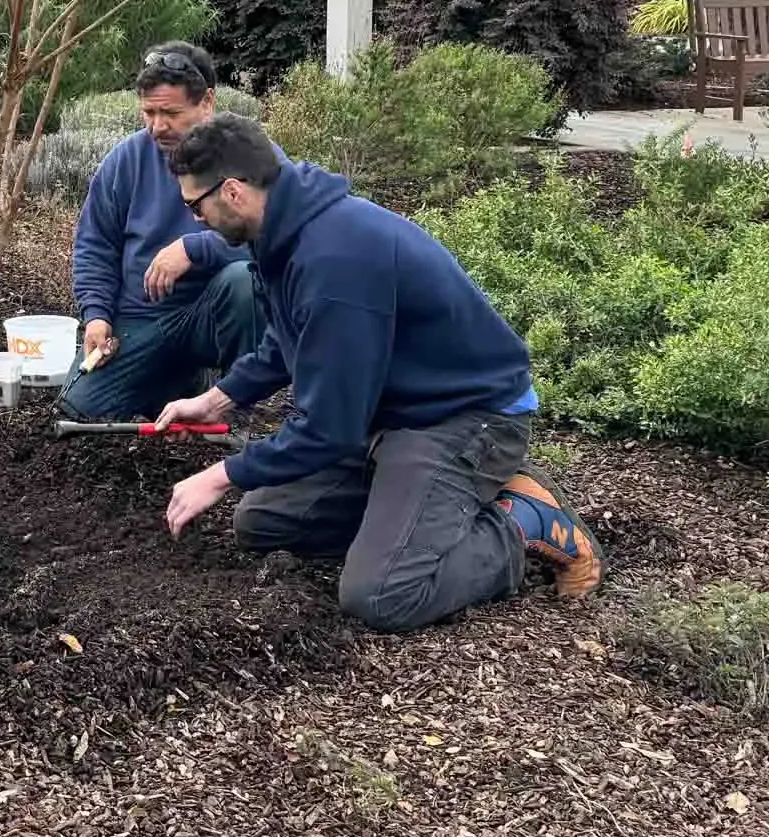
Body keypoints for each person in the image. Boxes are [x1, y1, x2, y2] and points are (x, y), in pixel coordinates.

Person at [154, 114, 602, 630]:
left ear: (232, 191)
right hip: (390, 414)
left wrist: (220, 475)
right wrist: (217, 400)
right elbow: (288, 336)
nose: (195, 220)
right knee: (261, 523)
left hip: (461, 417)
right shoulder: (280, 231)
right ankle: (415, 512)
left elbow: (328, 429)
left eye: (195, 205)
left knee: (382, 594)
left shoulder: (334, 260)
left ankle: (524, 519)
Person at [62, 43, 264, 421]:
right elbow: (95, 246)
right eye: (149, 112)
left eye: (170, 113)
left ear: (207, 102)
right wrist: (97, 315)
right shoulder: (124, 161)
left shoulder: (248, 157)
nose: (157, 126)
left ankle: (234, 399)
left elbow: (277, 239)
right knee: (79, 411)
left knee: (244, 281)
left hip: (212, 316)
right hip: (141, 320)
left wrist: (195, 247)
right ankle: (179, 380)